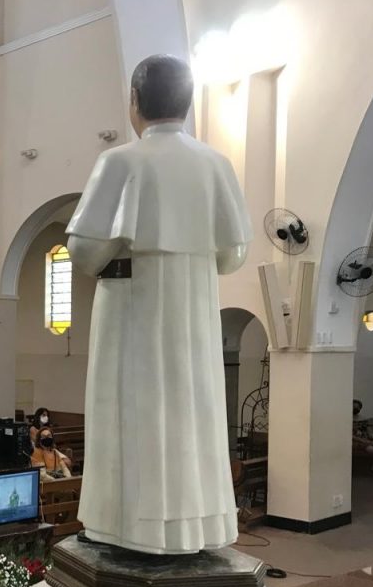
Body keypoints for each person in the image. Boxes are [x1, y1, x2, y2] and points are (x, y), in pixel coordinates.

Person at [67, 55, 250, 554]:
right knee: (195, 412)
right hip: (193, 311)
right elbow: (233, 253)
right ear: (187, 104)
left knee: (133, 411)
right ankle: (198, 529)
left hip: (132, 311)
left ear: (134, 101)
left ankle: (127, 528)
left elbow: (84, 250)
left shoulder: (121, 161)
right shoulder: (216, 163)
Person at [353, 400, 373, 475]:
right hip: (357, 440)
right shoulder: (347, 418)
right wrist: (365, 441)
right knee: (371, 450)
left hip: (366, 438)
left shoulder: (363, 418)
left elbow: (368, 429)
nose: (355, 408)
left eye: (357, 407)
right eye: (354, 406)